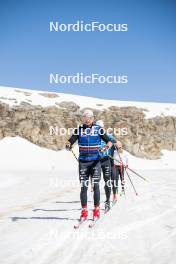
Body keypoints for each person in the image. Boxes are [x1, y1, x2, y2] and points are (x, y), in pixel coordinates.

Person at [66, 110, 113, 220]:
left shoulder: (98, 129)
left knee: (95, 185)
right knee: (84, 187)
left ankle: (96, 210)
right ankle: (84, 211)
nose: (87, 119)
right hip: (83, 162)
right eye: (85, 117)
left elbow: (109, 141)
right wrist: (68, 145)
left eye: (90, 117)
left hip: (95, 161)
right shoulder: (79, 129)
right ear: (83, 118)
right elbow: (71, 140)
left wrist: (105, 148)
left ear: (93, 118)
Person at [96, 120, 117, 211]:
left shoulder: (107, 135)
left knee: (107, 180)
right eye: (97, 127)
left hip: (106, 160)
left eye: (100, 128)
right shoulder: (93, 136)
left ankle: (107, 201)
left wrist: (116, 144)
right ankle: (96, 205)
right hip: (96, 161)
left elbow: (115, 142)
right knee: (96, 181)